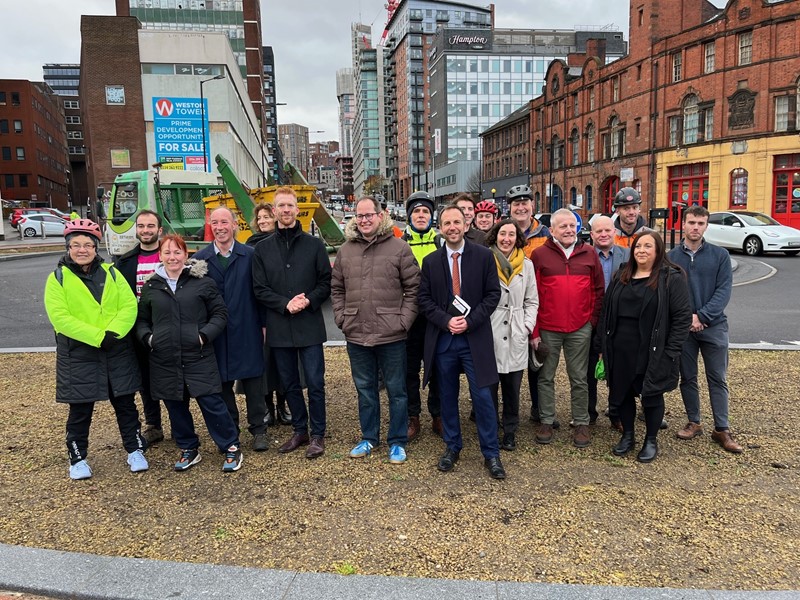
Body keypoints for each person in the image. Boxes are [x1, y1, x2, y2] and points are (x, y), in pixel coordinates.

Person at [44, 219, 148, 480]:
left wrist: (113, 333)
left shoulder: (113, 273)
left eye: (88, 245)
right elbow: (60, 318)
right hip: (80, 353)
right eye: (76, 245)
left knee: (125, 404)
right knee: (80, 409)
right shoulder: (57, 278)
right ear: (68, 248)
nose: (82, 250)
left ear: (96, 247)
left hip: (116, 348)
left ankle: (135, 449)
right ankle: (77, 457)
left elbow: (128, 306)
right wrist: (97, 336)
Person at [137, 234, 243, 472]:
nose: (172, 257)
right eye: (167, 252)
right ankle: (188, 447)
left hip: (198, 355)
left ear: (186, 255)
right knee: (175, 404)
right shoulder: (152, 286)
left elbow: (220, 314)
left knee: (212, 402)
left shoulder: (202, 282)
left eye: (177, 252)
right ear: (160, 256)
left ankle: (230, 446)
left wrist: (203, 336)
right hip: (164, 358)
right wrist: (149, 339)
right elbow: (142, 320)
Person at [418, 205, 505, 479]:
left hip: (474, 338)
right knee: (447, 397)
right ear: (440, 228)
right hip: (444, 340)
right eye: (447, 223)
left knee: (483, 398)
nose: (453, 227)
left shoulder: (483, 256)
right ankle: (452, 446)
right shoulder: (431, 262)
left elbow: (493, 295)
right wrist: (446, 321)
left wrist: (470, 321)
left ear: (466, 225)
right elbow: (424, 300)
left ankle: (491, 453)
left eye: (457, 221)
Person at [331, 196, 419, 464]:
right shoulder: (346, 250)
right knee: (365, 389)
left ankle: (397, 441)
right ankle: (369, 437)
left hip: (391, 333)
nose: (364, 220)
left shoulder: (399, 248)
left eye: (369, 215)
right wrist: (342, 318)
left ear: (381, 216)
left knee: (397, 390)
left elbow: (414, 289)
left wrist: (403, 321)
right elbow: (337, 288)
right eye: (360, 216)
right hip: (356, 332)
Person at [252, 186, 332, 459]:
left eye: (290, 205)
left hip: (309, 324)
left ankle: (318, 433)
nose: (286, 210)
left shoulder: (314, 245)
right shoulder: (262, 250)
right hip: (280, 325)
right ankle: (300, 430)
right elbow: (259, 288)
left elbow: (326, 282)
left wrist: (308, 300)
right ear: (274, 212)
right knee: (289, 383)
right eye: (281, 206)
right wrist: (285, 304)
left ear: (297, 210)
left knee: (315, 382)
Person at [599, 231, 692, 462]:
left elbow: (682, 318)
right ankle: (628, 436)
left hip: (652, 349)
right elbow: (607, 312)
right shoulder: (622, 274)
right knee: (623, 394)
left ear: (658, 250)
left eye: (648, 246)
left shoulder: (671, 278)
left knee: (651, 395)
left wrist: (671, 351)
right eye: (638, 246)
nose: (641, 250)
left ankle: (650, 440)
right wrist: (602, 346)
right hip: (620, 347)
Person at [668, 205, 743, 453]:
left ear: (706, 226)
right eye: (691, 222)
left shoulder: (720, 256)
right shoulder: (672, 257)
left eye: (700, 223)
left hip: (714, 326)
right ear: (684, 224)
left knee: (717, 378)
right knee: (687, 377)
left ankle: (722, 428)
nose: (695, 227)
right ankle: (694, 421)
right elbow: (668, 292)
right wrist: (686, 319)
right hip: (683, 328)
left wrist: (702, 316)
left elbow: (723, 291)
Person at [195, 207, 268, 451]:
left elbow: (261, 292)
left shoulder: (251, 255)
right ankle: (230, 430)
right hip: (217, 332)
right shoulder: (201, 259)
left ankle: (259, 429)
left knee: (254, 381)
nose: (220, 227)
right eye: (214, 222)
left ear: (234, 225)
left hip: (248, 326)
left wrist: (265, 324)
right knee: (222, 383)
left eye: (224, 222)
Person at [531, 209, 604, 448]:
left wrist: (591, 322)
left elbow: (597, 291)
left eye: (572, 226)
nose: (569, 230)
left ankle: (581, 422)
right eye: (563, 226)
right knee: (546, 377)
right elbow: (533, 294)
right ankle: (547, 420)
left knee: (579, 377)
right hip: (549, 327)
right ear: (551, 230)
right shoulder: (540, 255)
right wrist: (536, 329)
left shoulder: (589, 253)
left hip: (579, 327)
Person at [485, 219, 538, 451]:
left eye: (512, 234)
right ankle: (491, 427)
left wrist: (526, 326)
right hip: (491, 328)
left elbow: (532, 300)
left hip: (515, 328)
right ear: (495, 235)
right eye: (502, 233)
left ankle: (510, 430)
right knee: (489, 385)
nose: (506, 238)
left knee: (512, 387)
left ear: (518, 238)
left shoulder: (526, 265)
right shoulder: (484, 260)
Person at [114, 209, 165, 444]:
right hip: (138, 329)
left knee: (174, 377)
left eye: (150, 226)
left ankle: (181, 423)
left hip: (168, 326)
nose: (146, 230)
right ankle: (153, 424)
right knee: (145, 379)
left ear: (159, 230)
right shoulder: (124, 263)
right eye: (142, 226)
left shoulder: (170, 256)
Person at [505, 184, 553, 426]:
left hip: (538, 305)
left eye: (525, 203)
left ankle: (538, 407)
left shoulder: (546, 234)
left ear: (532, 206)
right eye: (516, 204)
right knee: (508, 363)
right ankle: (508, 412)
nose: (521, 207)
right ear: (510, 208)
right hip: (512, 305)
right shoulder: (504, 233)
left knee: (537, 361)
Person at [401, 191, 444, 440]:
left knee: (438, 367)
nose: (421, 215)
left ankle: (438, 414)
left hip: (434, 318)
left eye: (425, 211)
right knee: (409, 370)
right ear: (409, 216)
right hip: (408, 319)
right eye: (416, 211)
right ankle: (412, 416)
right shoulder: (398, 243)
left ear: (431, 216)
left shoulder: (440, 242)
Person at [246, 202, 292, 427]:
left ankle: (283, 405)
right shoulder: (251, 244)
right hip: (258, 310)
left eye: (266, 217)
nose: (263, 221)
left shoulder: (283, 242)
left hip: (280, 310)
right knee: (262, 363)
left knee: (281, 362)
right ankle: (266, 406)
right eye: (260, 218)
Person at [586, 215, 629, 429]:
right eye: (598, 231)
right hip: (591, 319)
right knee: (588, 369)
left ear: (615, 232)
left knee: (617, 370)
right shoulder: (583, 255)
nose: (603, 234)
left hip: (618, 322)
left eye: (607, 230)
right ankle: (589, 412)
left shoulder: (628, 256)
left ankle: (616, 412)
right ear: (591, 234)